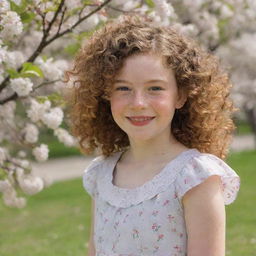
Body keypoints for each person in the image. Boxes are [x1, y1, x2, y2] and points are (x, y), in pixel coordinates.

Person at [66, 14, 240, 256]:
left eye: (155, 88)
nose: (138, 103)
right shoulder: (102, 175)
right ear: (105, 95)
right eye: (123, 88)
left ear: (180, 96)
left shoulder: (195, 177)